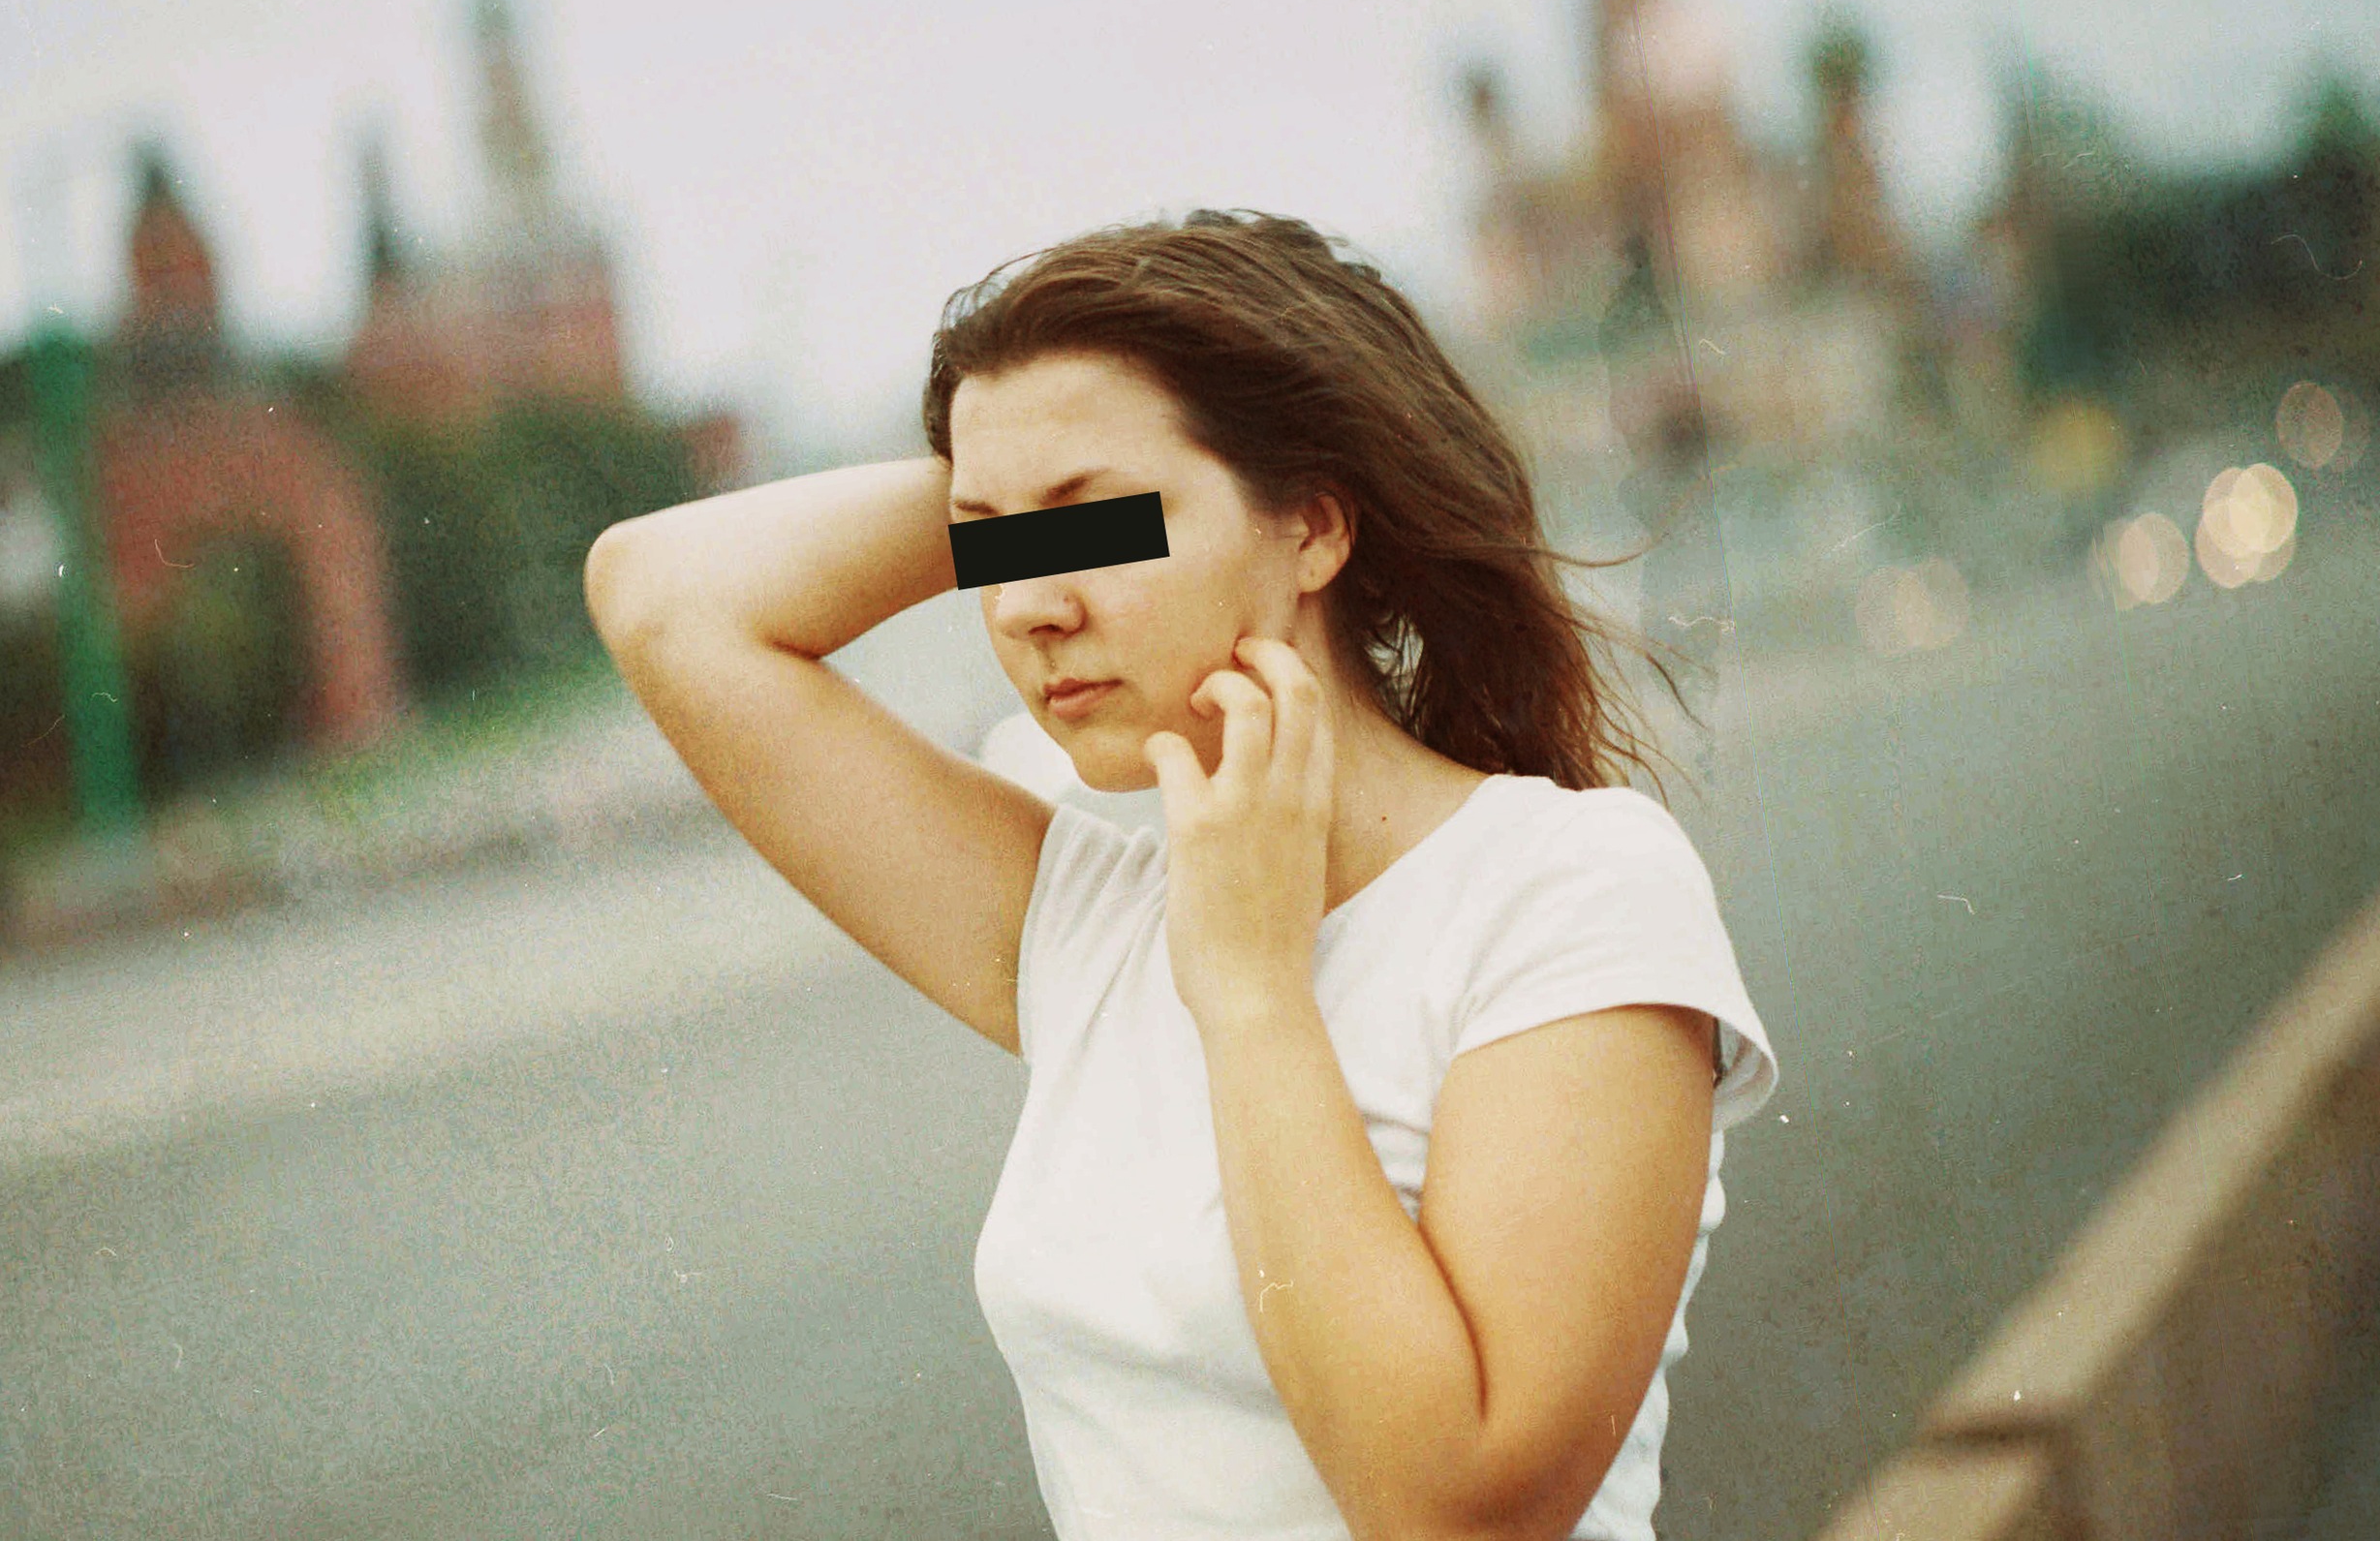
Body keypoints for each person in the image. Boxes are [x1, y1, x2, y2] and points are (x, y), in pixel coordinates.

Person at [583, 208, 1779, 1541]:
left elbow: (1456, 1511)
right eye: (989, 549)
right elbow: (663, 599)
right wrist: (1023, 470)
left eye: (1091, 527)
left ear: (1313, 526)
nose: (1026, 604)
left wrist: (1253, 993)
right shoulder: (1093, 925)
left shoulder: (1569, 892)